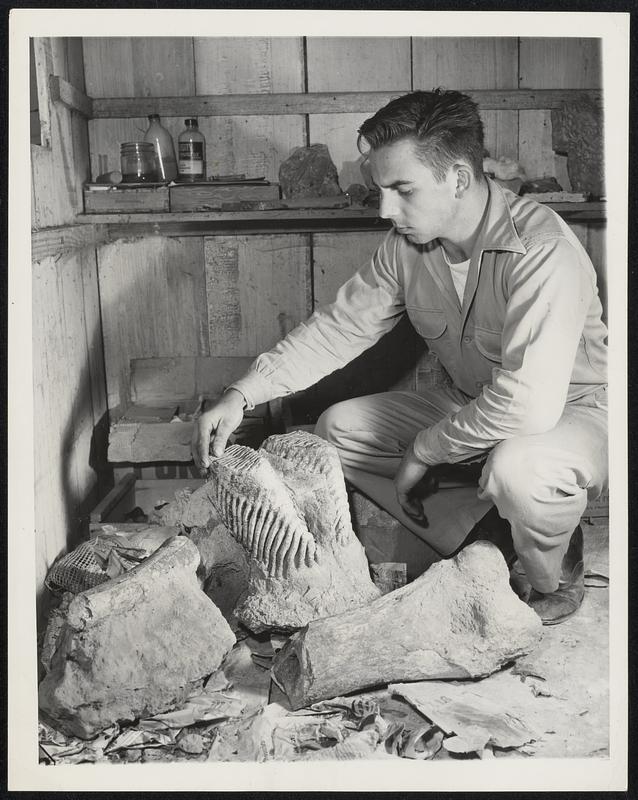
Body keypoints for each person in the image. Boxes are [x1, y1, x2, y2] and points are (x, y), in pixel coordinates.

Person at [192, 89, 608, 625]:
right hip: (474, 403)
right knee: (338, 429)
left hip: (576, 411)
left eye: (402, 190)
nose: (387, 210)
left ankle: (555, 570)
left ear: (458, 178)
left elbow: (527, 406)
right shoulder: (407, 247)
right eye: (381, 190)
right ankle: (488, 535)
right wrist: (240, 393)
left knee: (521, 468)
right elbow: (340, 327)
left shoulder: (544, 250)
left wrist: (426, 450)